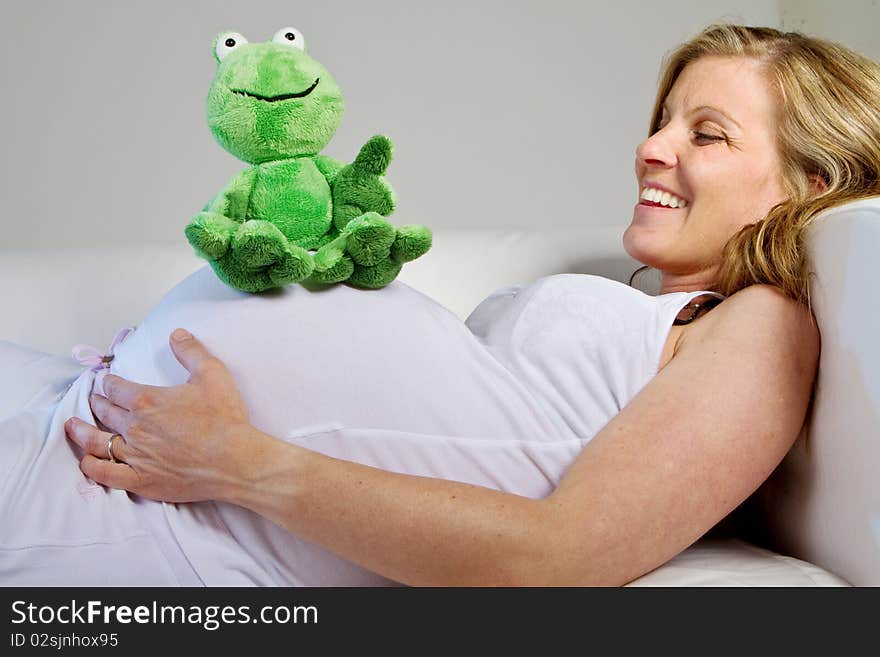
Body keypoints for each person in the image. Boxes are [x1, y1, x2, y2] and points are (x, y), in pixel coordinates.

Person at [5, 24, 880, 586]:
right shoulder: (639, 309)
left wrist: (233, 461)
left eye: (706, 133)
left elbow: (561, 556)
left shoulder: (761, 323)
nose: (650, 147)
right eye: (663, 120)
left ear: (812, 184)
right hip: (83, 426)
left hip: (138, 515)